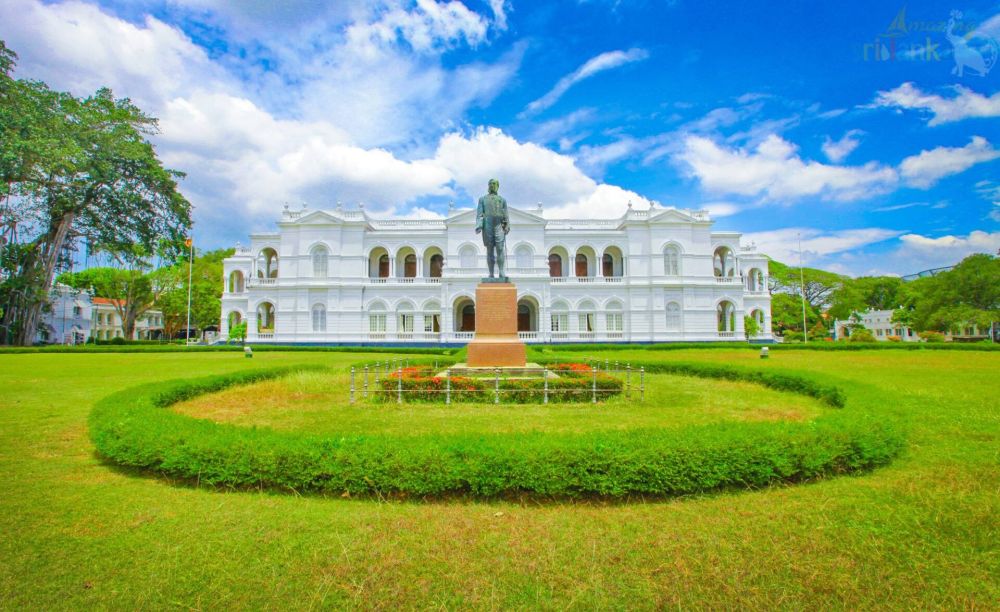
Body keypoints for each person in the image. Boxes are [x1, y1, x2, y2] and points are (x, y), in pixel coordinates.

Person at [475, 178, 510, 281]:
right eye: (490, 184)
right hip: (488, 225)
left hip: (499, 225)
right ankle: (491, 273)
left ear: (497, 186)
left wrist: (507, 225)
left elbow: (505, 214)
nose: (492, 186)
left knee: (500, 249)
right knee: (489, 250)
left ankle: (501, 272)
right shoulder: (482, 199)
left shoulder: (502, 200)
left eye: (494, 184)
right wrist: (479, 226)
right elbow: (480, 214)